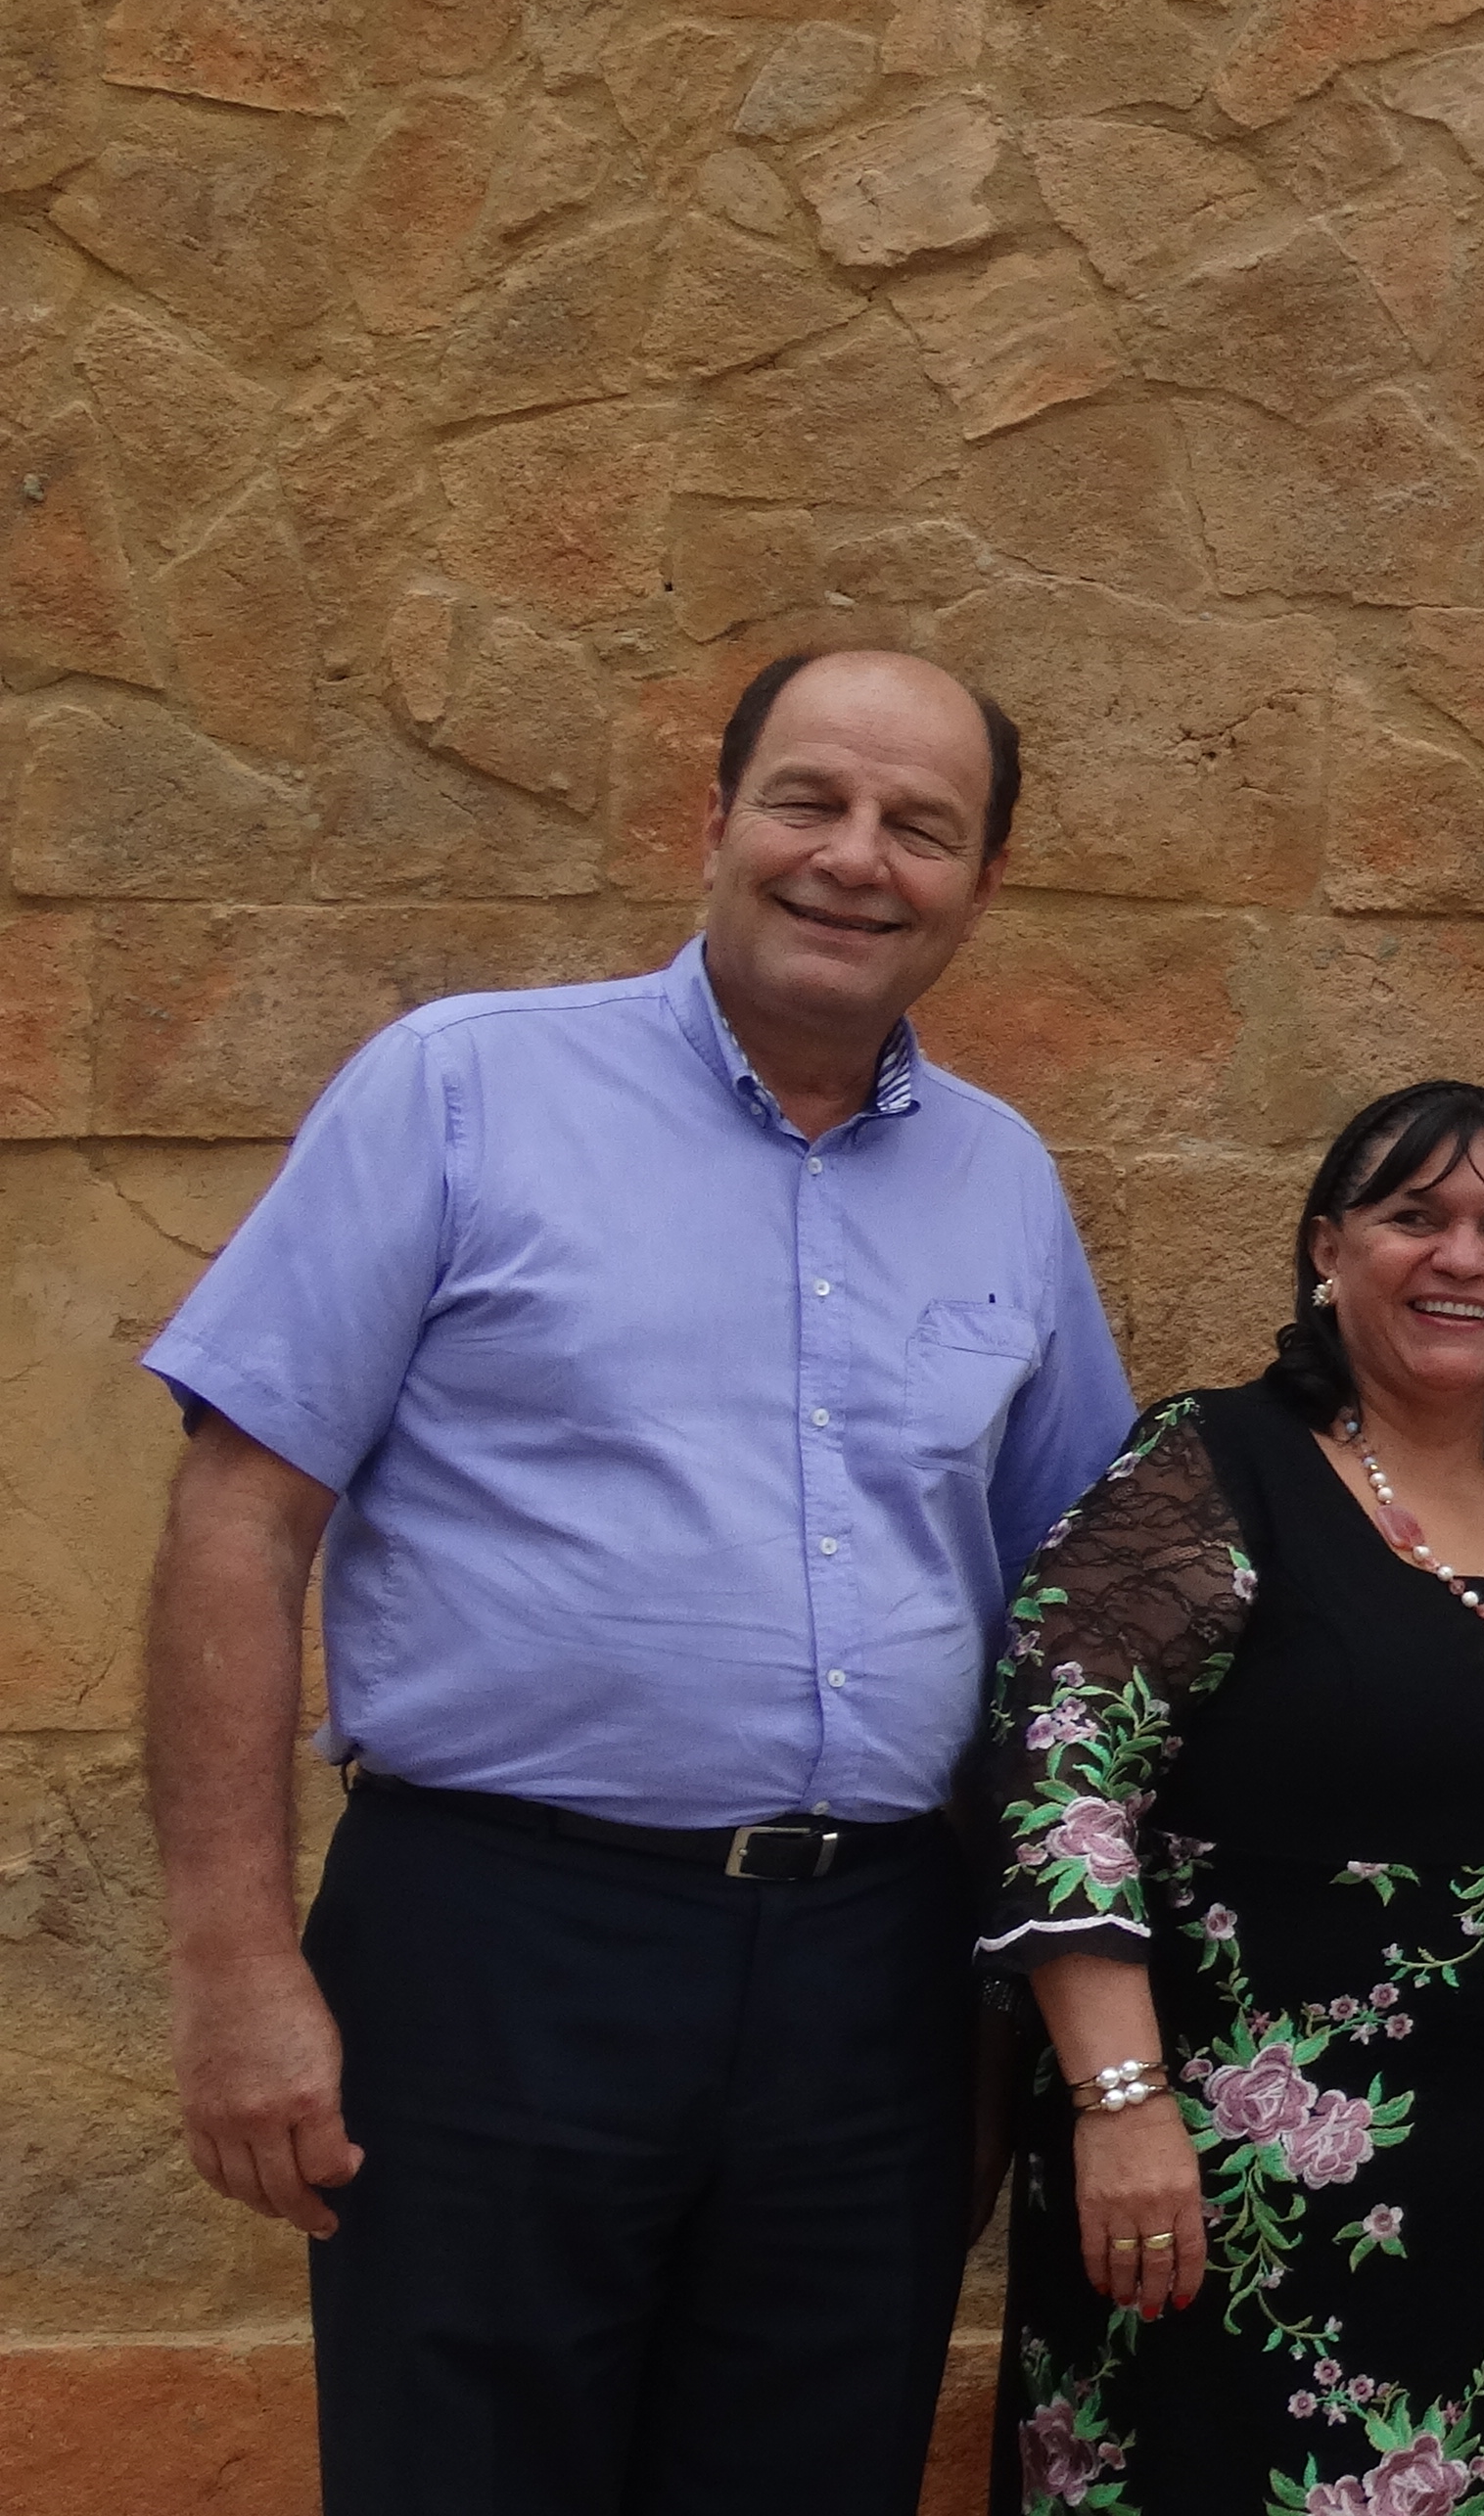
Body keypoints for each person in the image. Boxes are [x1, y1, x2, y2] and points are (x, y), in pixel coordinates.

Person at [137, 648, 1136, 2516]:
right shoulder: (462, 1090)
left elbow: (1072, 1615)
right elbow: (238, 1520)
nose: (856, 858)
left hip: (872, 1986)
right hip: (498, 1953)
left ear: (983, 884)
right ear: (715, 819)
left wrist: (1037, 2032)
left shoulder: (1004, 1178)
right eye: (809, 800)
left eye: (920, 827)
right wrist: (233, 1964)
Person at [967, 1079, 1484, 2516]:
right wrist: (1122, 2103)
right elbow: (1059, 1767)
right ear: (1326, 1248)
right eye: (1414, 1216)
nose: (1462, 1256)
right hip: (1220, 2184)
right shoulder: (1214, 1462)